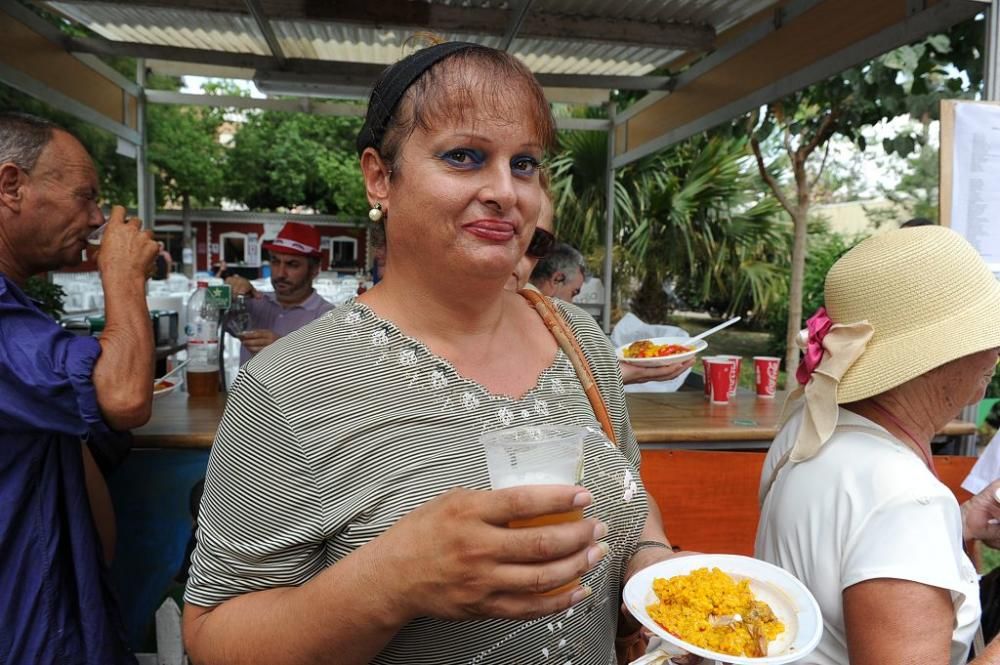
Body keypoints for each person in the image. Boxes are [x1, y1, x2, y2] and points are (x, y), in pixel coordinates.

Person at [182, 41, 679, 665]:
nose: (504, 191)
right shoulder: (292, 380)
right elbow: (211, 638)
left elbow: (629, 494)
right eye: (464, 157)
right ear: (379, 176)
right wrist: (391, 580)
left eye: (523, 164)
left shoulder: (576, 337)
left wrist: (655, 568)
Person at [755, 225, 1000, 664]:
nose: (997, 350)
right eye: (984, 335)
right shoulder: (906, 500)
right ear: (935, 359)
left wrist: (956, 526)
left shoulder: (810, 422)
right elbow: (886, 517)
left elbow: (851, 543)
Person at [0, 112, 159, 664]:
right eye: (85, 198)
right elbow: (122, 395)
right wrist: (121, 274)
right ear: (11, 186)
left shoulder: (18, 303)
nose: (95, 219)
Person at [224, 221, 334, 363]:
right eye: (275, 262)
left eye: (292, 264)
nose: (280, 273)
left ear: (314, 270)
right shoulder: (255, 302)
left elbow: (331, 375)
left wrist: (284, 351)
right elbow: (204, 320)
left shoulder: (328, 317)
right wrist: (226, 292)